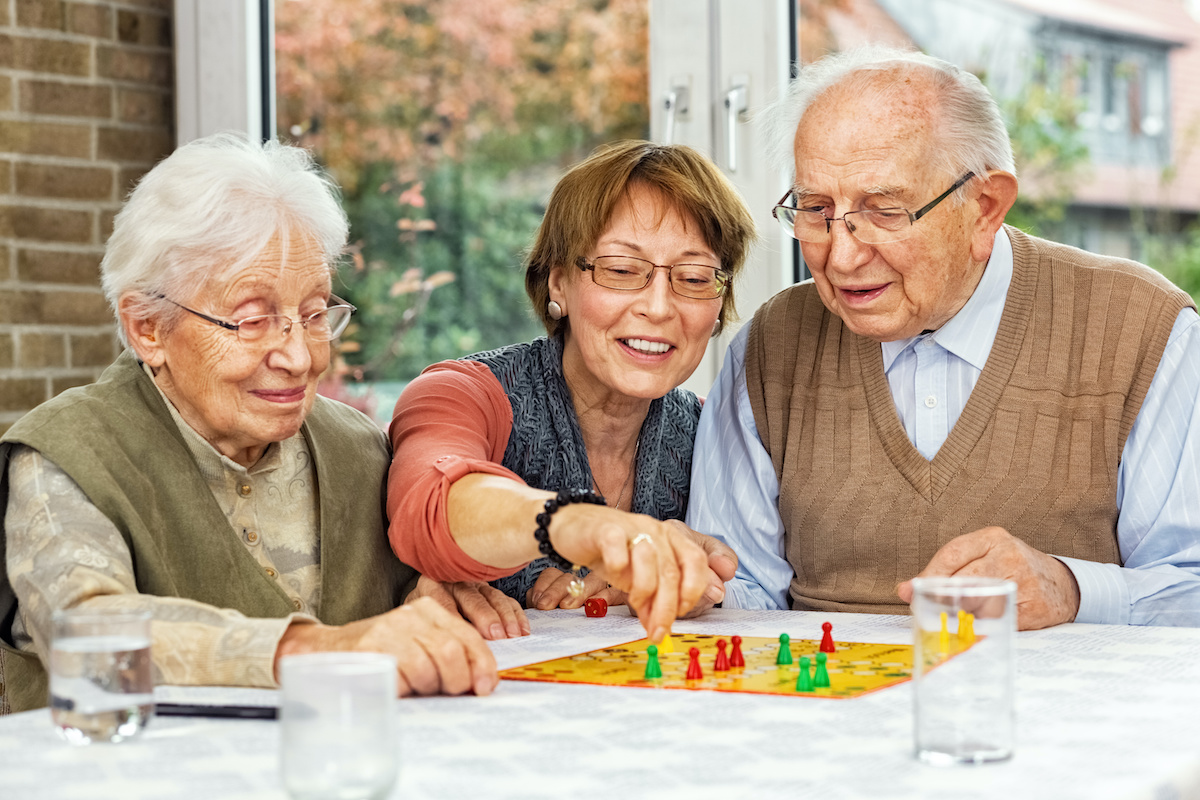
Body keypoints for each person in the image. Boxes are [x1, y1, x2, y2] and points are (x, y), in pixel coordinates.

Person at [688, 46, 1200, 630]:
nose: (843, 254)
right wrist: (698, 587)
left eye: (884, 211)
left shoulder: (1142, 328)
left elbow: (1191, 582)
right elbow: (737, 595)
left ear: (984, 207)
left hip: (1055, 712)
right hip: (824, 708)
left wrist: (1072, 590)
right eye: (815, 208)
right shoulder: (769, 345)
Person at [0, 133, 507, 714]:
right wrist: (318, 650)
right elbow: (85, 634)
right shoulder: (65, 454)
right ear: (148, 328)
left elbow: (405, 608)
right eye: (251, 321)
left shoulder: (358, 448)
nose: (300, 356)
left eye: (314, 314)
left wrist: (437, 601)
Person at [386, 141, 757, 638]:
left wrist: (688, 582)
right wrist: (590, 530)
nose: (660, 307)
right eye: (622, 270)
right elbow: (428, 505)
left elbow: (753, 581)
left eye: (693, 277)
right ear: (558, 282)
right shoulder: (462, 393)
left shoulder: (715, 431)